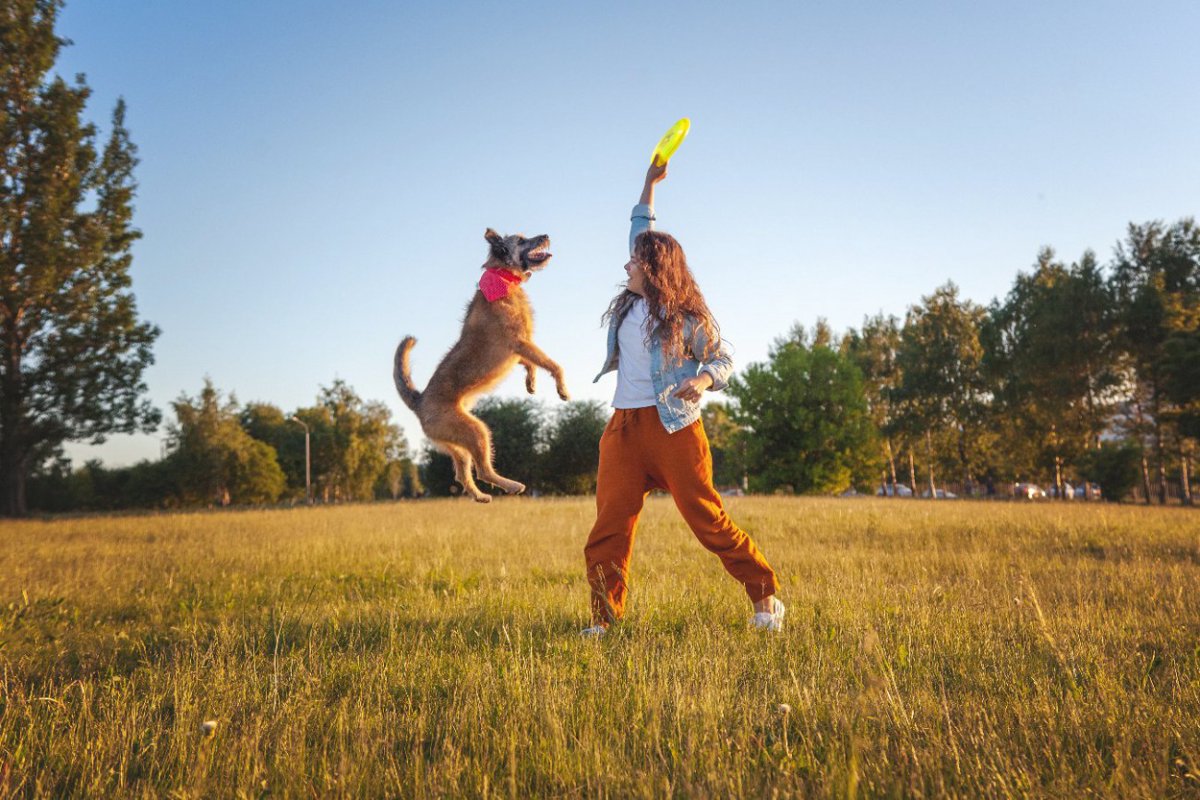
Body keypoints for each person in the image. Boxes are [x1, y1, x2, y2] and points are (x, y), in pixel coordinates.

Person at [581, 161, 784, 636]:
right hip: (623, 430)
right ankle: (604, 621)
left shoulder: (686, 318)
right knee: (608, 529)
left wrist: (705, 382)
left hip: (674, 429)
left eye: (635, 261)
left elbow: (722, 360)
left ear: (653, 269)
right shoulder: (630, 304)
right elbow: (640, 226)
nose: (627, 264)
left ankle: (766, 599)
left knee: (707, 520)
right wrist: (650, 184)